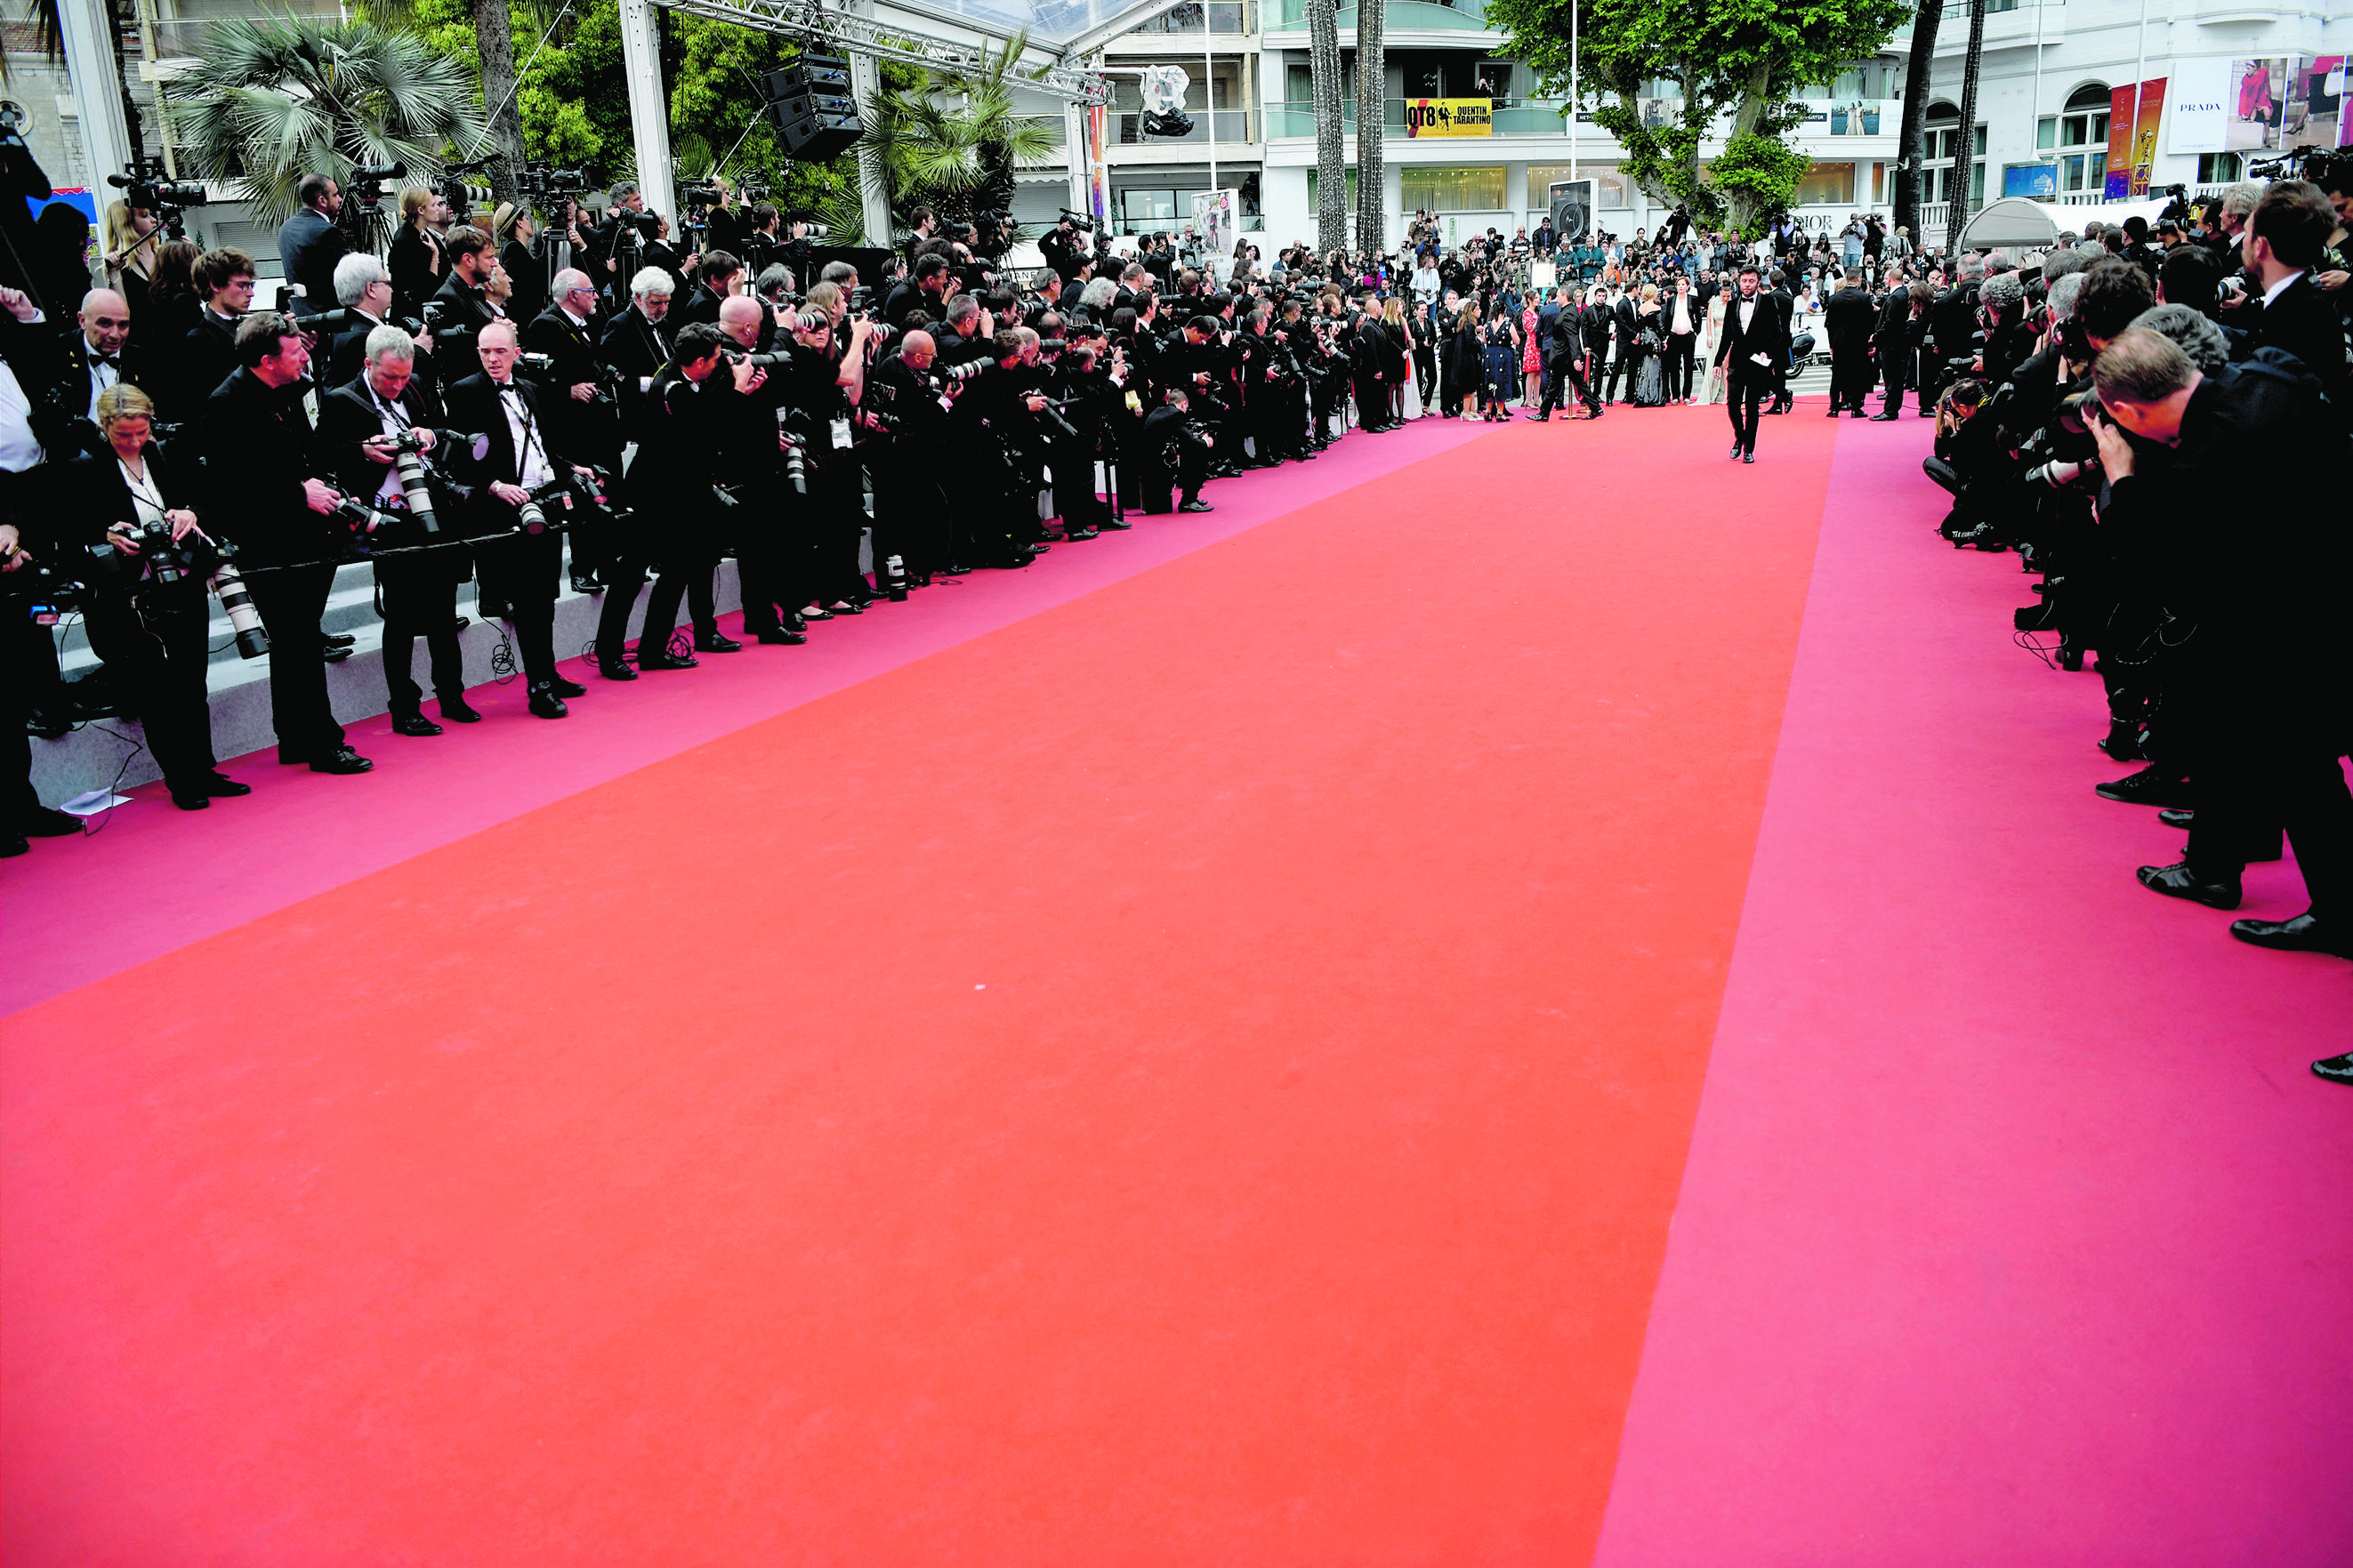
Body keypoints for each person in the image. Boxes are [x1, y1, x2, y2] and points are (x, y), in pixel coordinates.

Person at [2088, 326, 2353, 957]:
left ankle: (2340, 913)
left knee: (2301, 769)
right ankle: (2213, 864)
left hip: (2291, 621)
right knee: (2238, 732)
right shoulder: (2267, 379)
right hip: (2294, 599)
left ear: (2125, 412)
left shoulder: (2211, 453)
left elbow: (2158, 569)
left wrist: (2121, 477)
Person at [197, 311, 370, 773]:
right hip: (267, 544)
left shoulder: (292, 388)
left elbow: (306, 451)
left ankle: (294, 737)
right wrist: (299, 493)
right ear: (266, 360)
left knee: (297, 640)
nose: (305, 356)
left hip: (309, 535)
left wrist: (342, 466)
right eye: (295, 352)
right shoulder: (225, 405)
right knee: (298, 641)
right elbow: (227, 489)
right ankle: (321, 742)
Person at [62, 384, 244, 810]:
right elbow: (67, 535)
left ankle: (203, 766)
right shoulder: (85, 469)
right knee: (156, 690)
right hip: (131, 595)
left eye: (141, 432)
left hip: (181, 579)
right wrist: (105, 536)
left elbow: (206, 498)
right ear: (105, 427)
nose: (134, 441)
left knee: (192, 680)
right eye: (124, 434)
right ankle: (181, 777)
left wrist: (189, 512)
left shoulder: (165, 454)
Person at [317, 326, 473, 736]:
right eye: (390, 377)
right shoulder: (340, 401)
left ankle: (452, 695)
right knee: (401, 617)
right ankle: (404, 708)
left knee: (443, 611)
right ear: (368, 365)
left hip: (432, 509)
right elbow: (322, 456)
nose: (398, 385)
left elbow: (442, 429)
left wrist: (429, 436)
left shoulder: (417, 386)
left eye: (404, 377)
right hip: (387, 519)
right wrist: (364, 451)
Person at [447, 320, 598, 715]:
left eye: (499, 351)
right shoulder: (464, 392)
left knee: (545, 597)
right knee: (527, 601)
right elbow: (463, 460)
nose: (492, 359)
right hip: (504, 512)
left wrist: (571, 470)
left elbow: (544, 449)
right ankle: (539, 686)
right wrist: (495, 486)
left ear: (517, 353)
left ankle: (547, 672)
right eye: (485, 352)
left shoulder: (531, 389)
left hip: (544, 501)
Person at [1713, 264, 1784, 463]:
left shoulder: (1769, 302)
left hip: (1757, 363)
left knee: (1752, 407)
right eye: (1744, 281)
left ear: (1758, 282)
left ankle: (1749, 449)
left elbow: (1777, 332)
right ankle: (1740, 437)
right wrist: (1718, 362)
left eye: (1751, 281)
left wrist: (1767, 351)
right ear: (1739, 281)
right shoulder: (1733, 304)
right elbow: (1726, 336)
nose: (1747, 284)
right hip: (1736, 360)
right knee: (1732, 403)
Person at [277, 172, 348, 318]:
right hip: (330, 320)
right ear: (322, 200)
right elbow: (348, 278)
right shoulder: (327, 231)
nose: (340, 199)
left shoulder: (286, 228)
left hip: (300, 317)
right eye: (335, 195)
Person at [387, 187, 450, 320]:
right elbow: (424, 288)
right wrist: (435, 256)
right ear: (421, 210)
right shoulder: (406, 241)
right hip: (413, 318)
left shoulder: (423, 234)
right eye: (433, 205)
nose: (437, 209)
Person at [1823, 267, 1876, 415]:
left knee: (1837, 375)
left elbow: (1829, 324)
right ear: (1859, 279)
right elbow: (1869, 323)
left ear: (1846, 278)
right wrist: (1871, 344)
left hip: (1839, 342)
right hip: (1858, 343)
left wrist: (1831, 344)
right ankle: (1856, 407)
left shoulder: (1834, 298)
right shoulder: (1864, 298)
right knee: (1857, 374)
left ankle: (1834, 408)